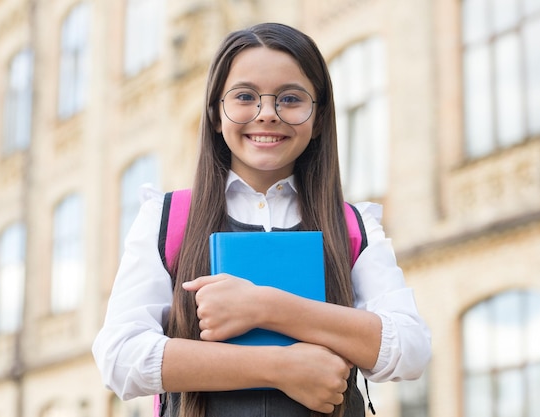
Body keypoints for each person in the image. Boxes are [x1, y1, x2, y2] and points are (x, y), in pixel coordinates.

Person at [92, 22, 431, 417]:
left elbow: (410, 349)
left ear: (318, 118)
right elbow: (120, 357)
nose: (267, 114)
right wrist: (280, 368)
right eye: (244, 96)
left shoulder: (353, 225)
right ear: (216, 115)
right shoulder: (166, 218)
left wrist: (264, 307)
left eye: (290, 98)